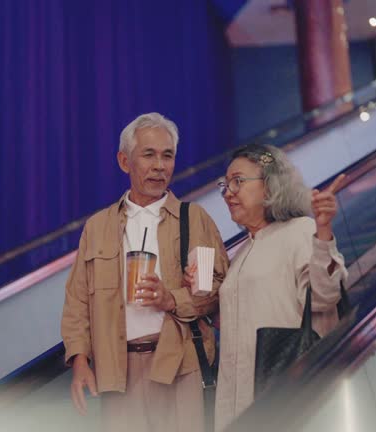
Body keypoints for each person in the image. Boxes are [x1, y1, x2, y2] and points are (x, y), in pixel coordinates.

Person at [61, 112, 229, 432]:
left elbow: (217, 292)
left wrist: (172, 299)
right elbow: (77, 301)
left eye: (167, 156)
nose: (159, 165)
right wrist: (80, 361)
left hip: (181, 364)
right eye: (149, 155)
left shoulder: (193, 219)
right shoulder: (98, 227)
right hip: (117, 370)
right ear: (125, 162)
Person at [183, 144, 348, 430]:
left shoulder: (300, 231)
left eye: (238, 182)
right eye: (225, 184)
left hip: (280, 396)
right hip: (236, 403)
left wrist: (323, 233)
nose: (228, 193)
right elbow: (251, 315)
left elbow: (324, 296)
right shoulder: (244, 251)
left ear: (271, 187)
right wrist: (203, 295)